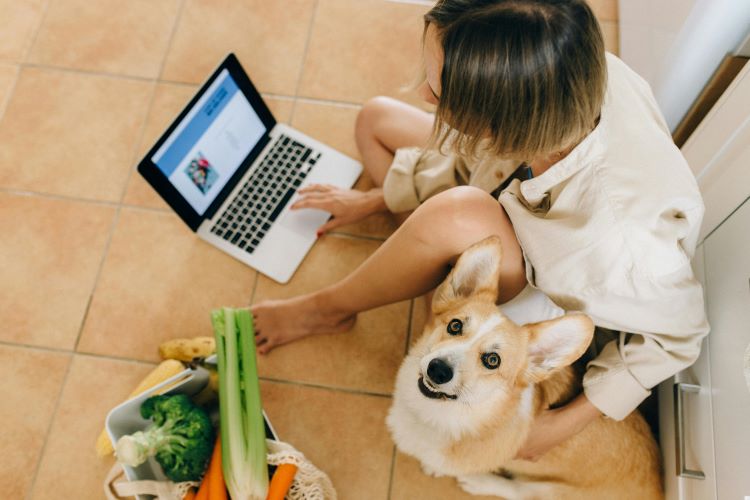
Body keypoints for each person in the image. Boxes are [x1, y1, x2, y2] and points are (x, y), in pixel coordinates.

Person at [251, 0, 709, 460]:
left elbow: (680, 337)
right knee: (375, 119)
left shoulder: (622, 248)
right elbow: (492, 165)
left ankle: (328, 308)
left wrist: (558, 425)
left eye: (441, 91)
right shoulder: (562, 72)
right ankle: (423, 242)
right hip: (501, 196)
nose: (426, 98)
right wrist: (381, 197)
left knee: (458, 213)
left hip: (540, 275)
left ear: (498, 119)